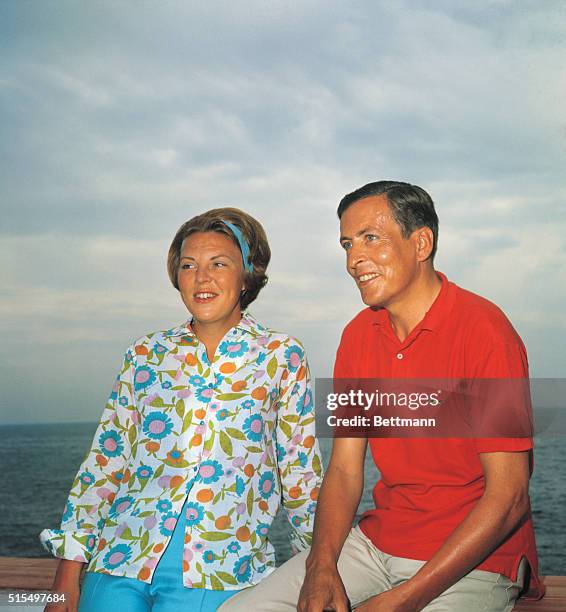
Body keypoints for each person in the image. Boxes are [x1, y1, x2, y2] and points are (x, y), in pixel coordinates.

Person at [221, 181, 544, 611]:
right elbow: (345, 471)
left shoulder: (486, 333)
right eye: (347, 244)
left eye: (371, 238)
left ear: (421, 242)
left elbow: (510, 497)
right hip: (378, 544)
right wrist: (321, 567)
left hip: (477, 560)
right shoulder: (358, 336)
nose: (354, 259)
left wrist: (404, 599)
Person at [40, 207, 323, 612]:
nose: (201, 278)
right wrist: (66, 576)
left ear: (247, 275)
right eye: (188, 265)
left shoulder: (280, 355)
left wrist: (320, 566)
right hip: (120, 561)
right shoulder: (145, 355)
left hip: (224, 571)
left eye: (218, 264)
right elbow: (106, 462)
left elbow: (300, 475)